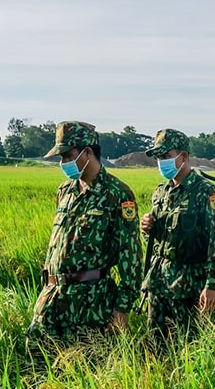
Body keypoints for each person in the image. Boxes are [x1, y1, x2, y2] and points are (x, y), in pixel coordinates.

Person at [30, 121, 142, 345]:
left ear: (88, 152)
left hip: (90, 303)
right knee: (37, 365)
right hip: (52, 298)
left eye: (67, 156)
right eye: (60, 158)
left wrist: (122, 307)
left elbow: (131, 255)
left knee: (87, 369)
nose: (63, 163)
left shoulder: (117, 193)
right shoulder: (65, 191)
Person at [140, 129, 215, 348]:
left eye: (166, 156)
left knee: (192, 347)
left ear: (184, 157)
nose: (161, 162)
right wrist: (147, 227)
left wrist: (212, 285)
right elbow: (161, 234)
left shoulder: (205, 192)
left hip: (190, 284)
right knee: (157, 345)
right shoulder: (161, 192)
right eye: (158, 158)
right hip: (159, 282)